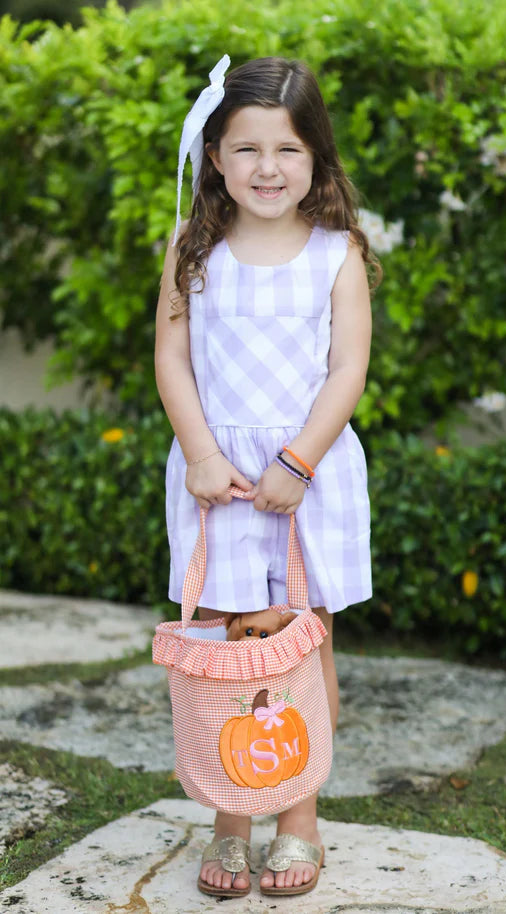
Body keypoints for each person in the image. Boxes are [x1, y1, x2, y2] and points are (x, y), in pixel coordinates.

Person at [155, 53, 379, 899]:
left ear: (315, 155)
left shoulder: (335, 253)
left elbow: (346, 370)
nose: (267, 168)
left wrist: (297, 461)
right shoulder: (192, 245)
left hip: (305, 473)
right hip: (218, 475)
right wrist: (205, 455)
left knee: (299, 639)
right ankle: (230, 817)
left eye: (286, 149)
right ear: (215, 156)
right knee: (227, 637)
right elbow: (172, 358)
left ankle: (298, 819)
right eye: (246, 150)